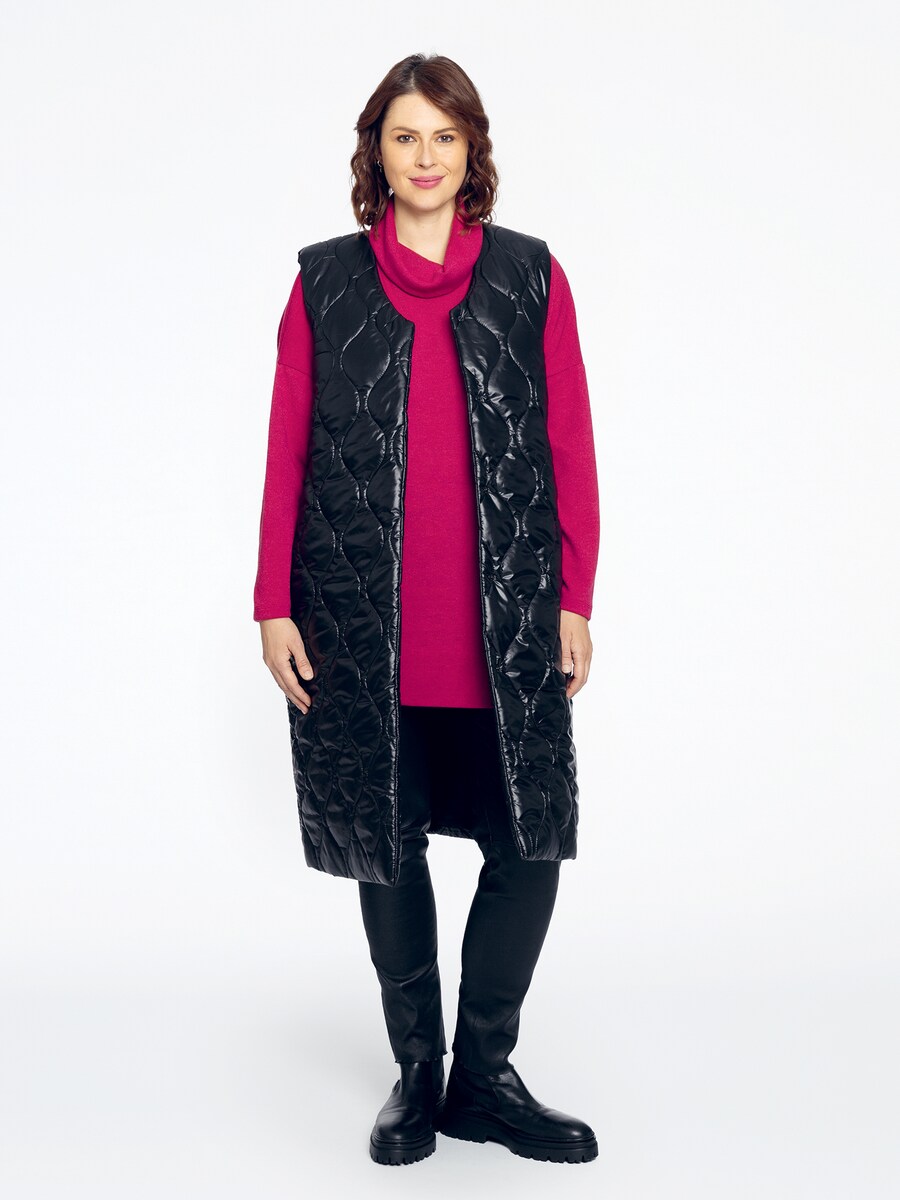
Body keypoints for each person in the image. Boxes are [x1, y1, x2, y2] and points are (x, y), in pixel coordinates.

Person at [253, 53, 601, 1166]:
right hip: (363, 618)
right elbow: (287, 447)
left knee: (530, 839)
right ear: (379, 153)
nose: (426, 157)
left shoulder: (531, 276)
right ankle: (419, 1073)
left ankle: (484, 1077)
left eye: (444, 137)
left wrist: (575, 593)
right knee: (386, 841)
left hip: (505, 618)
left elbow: (569, 442)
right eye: (406, 136)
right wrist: (272, 602)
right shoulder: (324, 283)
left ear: (470, 150)